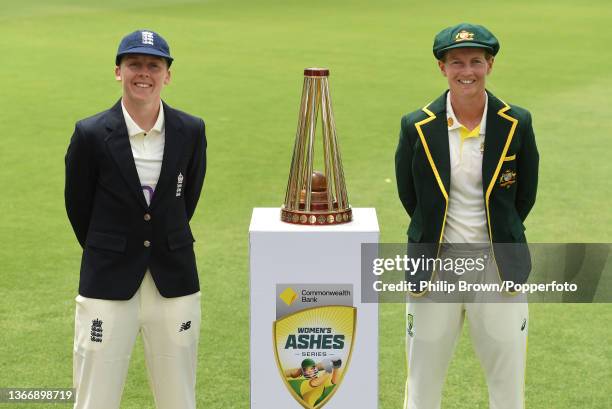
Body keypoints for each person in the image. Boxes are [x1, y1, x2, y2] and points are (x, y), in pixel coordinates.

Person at [395, 23, 539, 409]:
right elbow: (410, 197)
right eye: (456, 62)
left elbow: (524, 196)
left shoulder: (517, 123)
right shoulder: (416, 126)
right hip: (435, 267)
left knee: (507, 387)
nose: (467, 71)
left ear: (490, 64)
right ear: (441, 67)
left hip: (498, 268)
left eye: (476, 60)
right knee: (422, 385)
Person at [65, 29, 207, 409]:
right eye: (134, 64)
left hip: (173, 277)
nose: (143, 73)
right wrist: (113, 245)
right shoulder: (90, 133)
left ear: (167, 75)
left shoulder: (191, 130)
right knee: (96, 394)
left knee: (178, 395)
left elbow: (185, 198)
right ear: (118, 71)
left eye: (153, 65)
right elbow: (78, 206)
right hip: (108, 279)